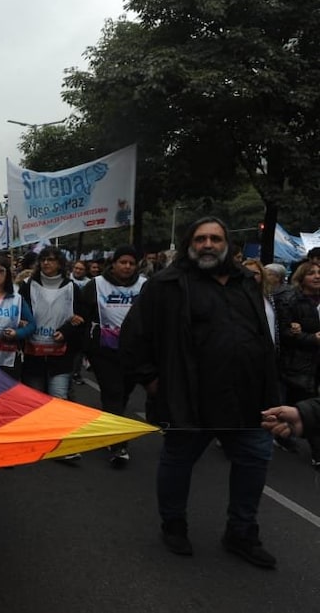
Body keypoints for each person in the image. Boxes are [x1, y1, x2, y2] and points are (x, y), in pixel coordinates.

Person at [120, 217, 279, 568]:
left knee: (254, 460)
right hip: (190, 397)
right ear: (190, 243)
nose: (208, 245)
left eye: (216, 239)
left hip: (248, 397)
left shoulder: (247, 283)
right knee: (178, 461)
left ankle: (242, 532)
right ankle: (174, 524)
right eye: (201, 238)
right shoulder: (166, 285)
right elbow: (134, 336)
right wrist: (150, 379)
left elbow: (261, 336)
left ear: (228, 245)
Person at [80, 245, 145, 468]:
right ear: (113, 264)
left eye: (131, 263)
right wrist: (85, 347)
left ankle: (109, 425)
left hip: (134, 352)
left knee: (123, 394)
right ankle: (118, 445)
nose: (127, 266)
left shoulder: (145, 285)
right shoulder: (95, 285)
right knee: (113, 391)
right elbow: (82, 316)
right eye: (122, 262)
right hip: (103, 351)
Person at [19, 247, 86, 402]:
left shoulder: (72, 288)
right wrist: (22, 322)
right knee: (35, 402)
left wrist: (66, 331)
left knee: (59, 400)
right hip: (33, 356)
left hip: (60, 358)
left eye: (51, 259)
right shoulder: (28, 286)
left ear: (60, 264)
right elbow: (19, 311)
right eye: (43, 259)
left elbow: (80, 318)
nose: (46, 263)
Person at [275, 260, 320, 466]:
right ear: (301, 277)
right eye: (312, 273)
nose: (317, 276)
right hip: (298, 364)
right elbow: (284, 333)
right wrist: (311, 338)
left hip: (315, 362)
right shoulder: (290, 300)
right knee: (306, 402)